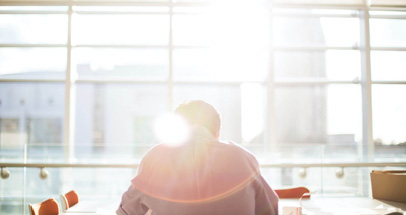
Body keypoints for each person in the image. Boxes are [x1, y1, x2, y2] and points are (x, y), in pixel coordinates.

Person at [117, 100, 279, 215]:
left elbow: (125, 212)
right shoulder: (243, 158)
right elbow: (270, 209)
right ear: (217, 132)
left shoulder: (155, 158)